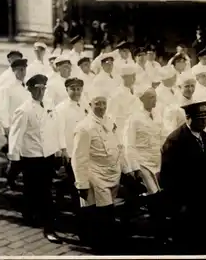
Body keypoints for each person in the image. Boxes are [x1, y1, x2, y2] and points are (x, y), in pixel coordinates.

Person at [71, 87, 138, 253]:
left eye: (103, 103)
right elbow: (79, 158)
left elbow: (118, 147)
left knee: (100, 210)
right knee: (105, 209)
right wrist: (82, 184)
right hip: (95, 174)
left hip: (112, 173)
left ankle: (96, 238)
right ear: (89, 105)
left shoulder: (109, 121)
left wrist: (126, 169)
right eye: (97, 104)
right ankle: (103, 246)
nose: (101, 107)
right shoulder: (84, 128)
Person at [160, 100, 206, 254]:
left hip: (203, 202)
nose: (203, 122)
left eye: (205, 119)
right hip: (186, 205)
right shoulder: (175, 140)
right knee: (187, 245)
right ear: (188, 118)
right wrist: (178, 205)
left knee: (205, 242)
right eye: (199, 119)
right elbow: (169, 178)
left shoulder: (204, 136)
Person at [8, 74, 62, 244]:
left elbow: (55, 127)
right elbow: (16, 136)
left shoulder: (50, 105)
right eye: (36, 88)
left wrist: (59, 148)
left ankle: (32, 214)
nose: (40, 92)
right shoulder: (24, 110)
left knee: (42, 191)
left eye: (43, 88)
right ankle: (48, 228)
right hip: (31, 157)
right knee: (38, 191)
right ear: (29, 89)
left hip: (47, 155)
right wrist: (14, 160)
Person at [122, 85, 167, 242]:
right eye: (150, 97)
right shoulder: (134, 118)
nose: (154, 100)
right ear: (141, 100)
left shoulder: (157, 115)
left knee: (146, 197)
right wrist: (135, 168)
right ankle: (160, 234)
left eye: (155, 97)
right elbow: (129, 145)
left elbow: (162, 137)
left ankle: (125, 220)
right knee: (155, 197)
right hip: (142, 163)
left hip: (156, 161)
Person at [54, 77, 90, 211]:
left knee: (76, 178)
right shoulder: (61, 108)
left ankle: (61, 189)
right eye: (72, 89)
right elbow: (59, 130)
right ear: (66, 90)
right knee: (76, 179)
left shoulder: (85, 104)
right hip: (70, 149)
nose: (76, 92)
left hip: (84, 148)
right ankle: (79, 210)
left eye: (78, 89)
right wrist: (63, 149)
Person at [0, 58, 30, 190]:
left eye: (24, 69)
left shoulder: (27, 85)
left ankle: (14, 175)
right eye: (19, 70)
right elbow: (3, 109)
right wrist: (6, 127)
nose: (22, 72)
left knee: (24, 154)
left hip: (27, 126)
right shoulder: (8, 88)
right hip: (14, 127)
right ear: (13, 71)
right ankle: (10, 177)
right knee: (16, 156)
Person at [107, 64, 141, 141]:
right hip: (122, 132)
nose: (133, 79)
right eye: (130, 76)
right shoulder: (116, 94)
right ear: (123, 77)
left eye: (134, 76)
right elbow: (110, 116)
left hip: (137, 130)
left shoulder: (137, 91)